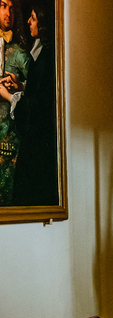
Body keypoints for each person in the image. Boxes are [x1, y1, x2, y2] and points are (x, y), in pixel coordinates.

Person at [3, 1, 56, 205]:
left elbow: (38, 108)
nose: (28, 22)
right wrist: (20, 87)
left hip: (37, 146)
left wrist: (8, 96)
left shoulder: (44, 57)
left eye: (32, 18)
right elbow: (39, 91)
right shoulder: (40, 53)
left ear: (42, 23)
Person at [0, 0, 28, 205]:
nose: (7, 12)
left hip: (9, 137)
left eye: (11, 7)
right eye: (2, 6)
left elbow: (37, 92)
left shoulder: (19, 52)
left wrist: (19, 86)